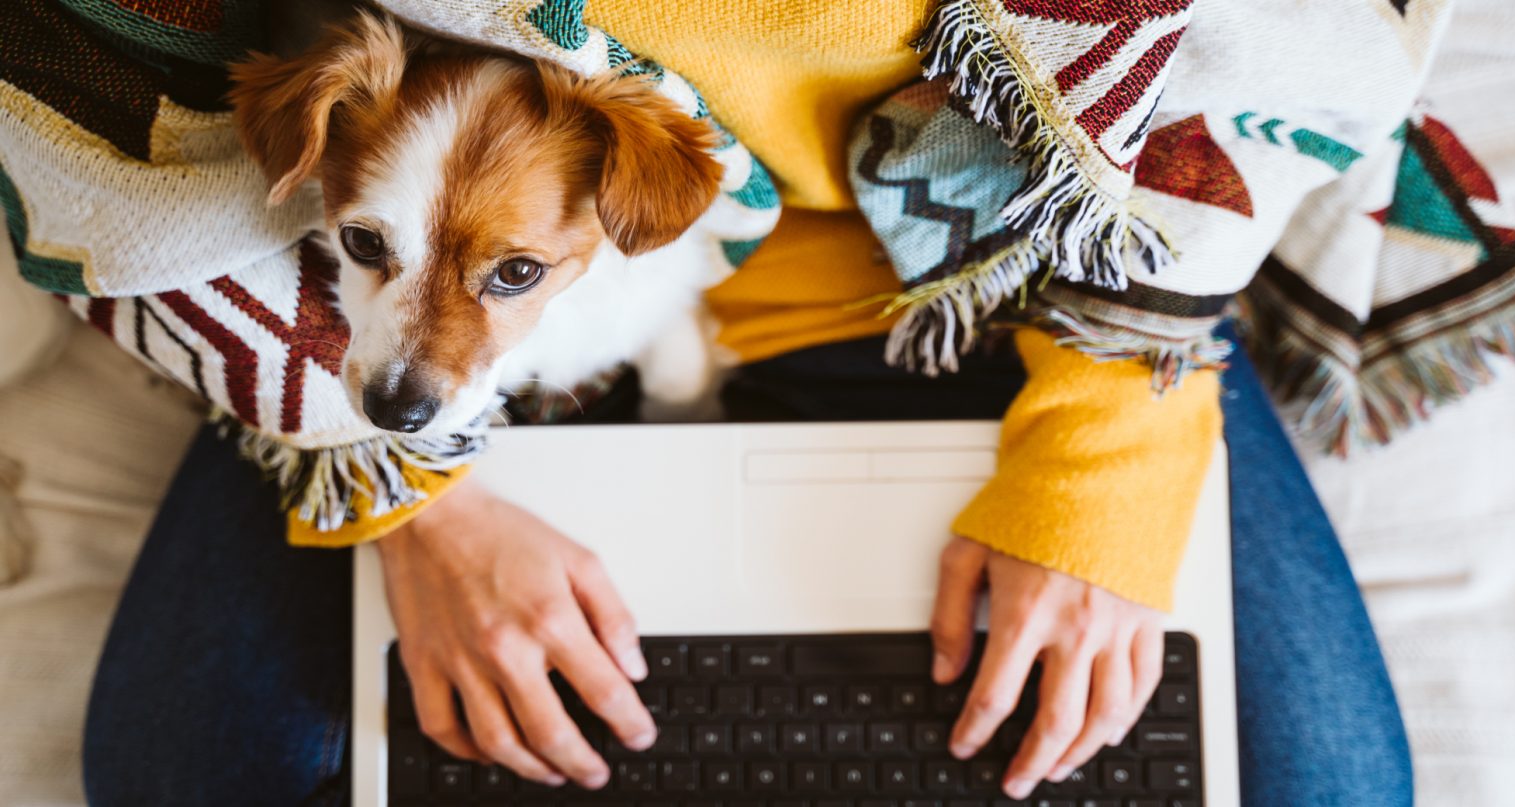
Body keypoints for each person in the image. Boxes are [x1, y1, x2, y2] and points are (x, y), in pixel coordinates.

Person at [70, 3, 1417, 806]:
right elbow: (90, 85)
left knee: (1321, 789)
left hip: (987, 287)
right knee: (190, 768)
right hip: (470, 353)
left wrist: (1103, 471)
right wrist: (412, 503)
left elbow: (1272, 56)